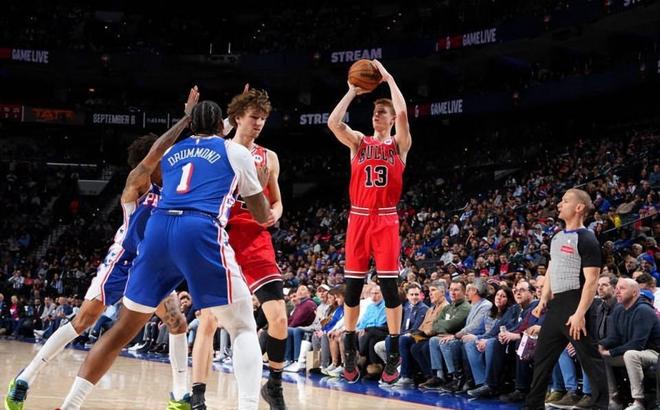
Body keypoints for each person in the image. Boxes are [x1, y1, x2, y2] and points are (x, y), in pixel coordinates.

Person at [57, 93, 273, 410]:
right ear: (221, 125)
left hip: (158, 230)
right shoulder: (235, 151)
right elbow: (260, 214)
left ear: (192, 125)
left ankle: (69, 405)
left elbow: (166, 156)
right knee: (242, 326)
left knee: (121, 331)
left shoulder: (171, 151)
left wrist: (187, 117)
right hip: (199, 228)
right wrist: (261, 190)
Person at [4, 88, 200, 410]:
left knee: (176, 322)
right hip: (123, 260)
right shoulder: (138, 184)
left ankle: (179, 394)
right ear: (151, 160)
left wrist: (227, 124)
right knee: (84, 321)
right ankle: (25, 376)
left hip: (152, 265)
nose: (168, 161)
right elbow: (157, 151)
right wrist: (186, 119)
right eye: (163, 157)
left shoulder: (172, 191)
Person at [189, 86, 288, 410]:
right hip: (223, 240)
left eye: (263, 118)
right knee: (209, 320)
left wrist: (275, 214)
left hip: (257, 240)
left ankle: (274, 385)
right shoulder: (219, 151)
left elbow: (277, 201)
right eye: (253, 117)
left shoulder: (269, 157)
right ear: (237, 119)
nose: (258, 123)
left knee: (279, 318)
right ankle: (198, 395)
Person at [327, 59, 412, 384]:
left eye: (383, 112)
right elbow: (334, 123)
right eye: (375, 111)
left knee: (390, 287)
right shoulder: (359, 142)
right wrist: (351, 92)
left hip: (386, 219)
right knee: (352, 287)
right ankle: (349, 345)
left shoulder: (398, 145)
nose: (377, 115)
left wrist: (389, 78)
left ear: (391, 119)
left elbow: (403, 114)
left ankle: (394, 350)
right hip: (359, 217)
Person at [523, 189, 608, 410]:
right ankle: (533, 406)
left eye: (565, 201)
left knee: (590, 359)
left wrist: (580, 313)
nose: (559, 204)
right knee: (542, 358)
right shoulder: (557, 237)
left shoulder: (587, 238)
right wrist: (544, 298)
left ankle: (600, 406)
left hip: (576, 305)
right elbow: (552, 268)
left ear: (579, 207)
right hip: (556, 306)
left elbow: (592, 280)